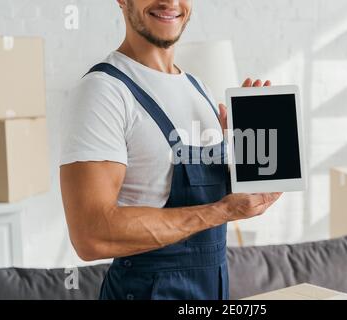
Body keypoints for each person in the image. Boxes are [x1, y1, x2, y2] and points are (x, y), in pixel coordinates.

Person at [60, 0, 281, 300]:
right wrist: (223, 211)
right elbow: (90, 235)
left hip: (212, 289)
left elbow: (224, 194)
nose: (170, 2)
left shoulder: (197, 87)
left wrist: (251, 150)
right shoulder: (103, 92)